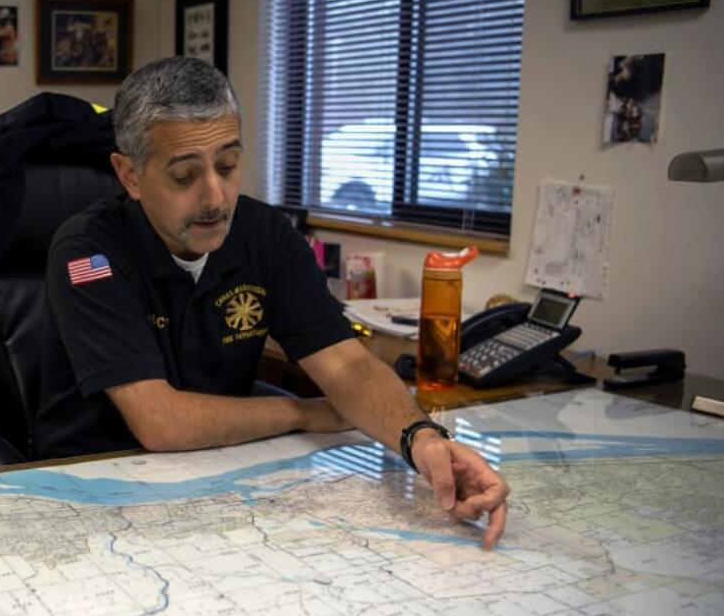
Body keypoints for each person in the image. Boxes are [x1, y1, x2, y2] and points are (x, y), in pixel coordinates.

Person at [36, 56, 509, 549]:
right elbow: (160, 420)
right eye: (184, 176)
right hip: (91, 488)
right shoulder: (88, 252)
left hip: (218, 474)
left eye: (228, 165)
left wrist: (424, 440)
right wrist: (300, 413)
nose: (216, 197)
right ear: (130, 176)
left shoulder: (266, 236)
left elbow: (347, 366)